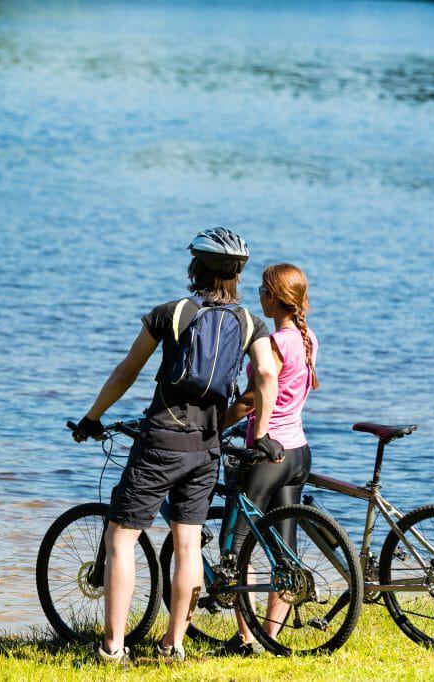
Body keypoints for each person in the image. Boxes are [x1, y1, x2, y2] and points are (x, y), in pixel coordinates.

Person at [70, 228, 281, 664]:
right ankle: (174, 644)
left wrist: (93, 417)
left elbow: (127, 369)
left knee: (121, 538)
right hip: (208, 446)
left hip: (160, 440)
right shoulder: (250, 322)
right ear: (239, 273)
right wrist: (260, 434)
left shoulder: (172, 313)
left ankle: (112, 647)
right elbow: (266, 375)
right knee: (187, 544)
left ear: (196, 266)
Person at [220, 263, 319, 656]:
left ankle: (247, 639)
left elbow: (251, 399)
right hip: (298, 452)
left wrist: (215, 425)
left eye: (262, 290)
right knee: (285, 552)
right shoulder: (310, 338)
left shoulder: (275, 343)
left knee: (238, 548)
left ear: (275, 298)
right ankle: (270, 637)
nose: (258, 295)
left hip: (266, 454)